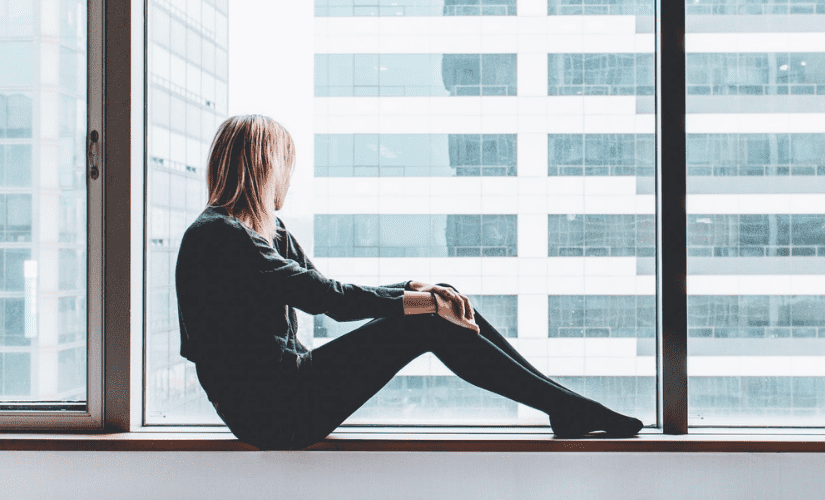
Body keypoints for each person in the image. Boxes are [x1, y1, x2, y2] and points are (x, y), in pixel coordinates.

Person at [175, 114, 644, 450]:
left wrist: (419, 289)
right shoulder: (217, 236)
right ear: (265, 169)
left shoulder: (270, 232)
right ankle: (563, 406)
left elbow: (323, 286)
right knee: (428, 318)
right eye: (287, 169)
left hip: (291, 390)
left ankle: (561, 404)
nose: (290, 182)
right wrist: (419, 302)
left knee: (437, 300)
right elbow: (326, 300)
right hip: (274, 412)